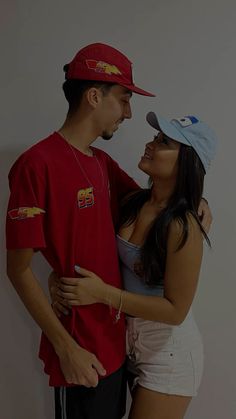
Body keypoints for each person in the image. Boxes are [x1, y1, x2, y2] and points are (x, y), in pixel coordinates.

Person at [6, 42, 156, 419]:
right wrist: (65, 348)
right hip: (80, 350)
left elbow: (155, 206)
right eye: (123, 99)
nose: (129, 112)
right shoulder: (36, 164)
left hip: (116, 340)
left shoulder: (103, 163)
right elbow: (18, 268)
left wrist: (197, 202)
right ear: (94, 95)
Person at [51, 112, 218, 419]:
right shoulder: (133, 201)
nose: (150, 144)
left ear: (188, 163)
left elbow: (175, 310)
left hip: (168, 352)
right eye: (155, 138)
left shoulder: (183, 226)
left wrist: (103, 294)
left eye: (164, 142)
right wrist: (54, 275)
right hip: (125, 341)